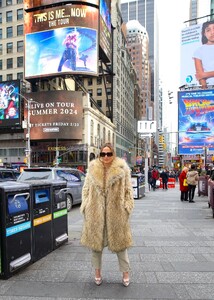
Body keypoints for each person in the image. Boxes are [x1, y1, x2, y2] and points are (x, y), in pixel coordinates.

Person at [80, 142, 134, 287]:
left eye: (108, 154)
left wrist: (127, 207)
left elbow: (129, 191)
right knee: (95, 246)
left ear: (113, 154)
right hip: (95, 212)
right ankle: (97, 273)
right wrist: (86, 205)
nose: (105, 156)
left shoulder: (122, 169)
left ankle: (126, 273)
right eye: (103, 154)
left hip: (116, 213)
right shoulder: (92, 169)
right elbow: (85, 189)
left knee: (121, 246)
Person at [193, 20, 214, 89]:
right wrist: (205, 91)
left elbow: (201, 75)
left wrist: (204, 74)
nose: (212, 32)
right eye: (208, 30)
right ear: (204, 34)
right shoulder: (199, 51)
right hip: (210, 89)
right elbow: (199, 75)